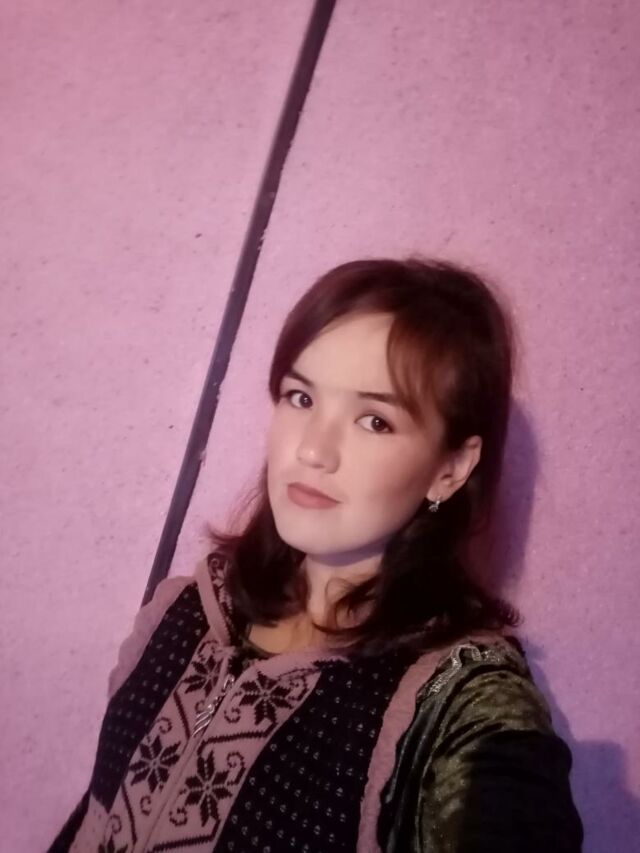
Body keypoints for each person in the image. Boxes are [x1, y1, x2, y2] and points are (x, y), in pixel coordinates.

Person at [48, 257, 584, 852]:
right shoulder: (182, 612)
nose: (312, 451)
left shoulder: (458, 702)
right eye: (300, 397)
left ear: (451, 468)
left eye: (374, 421)